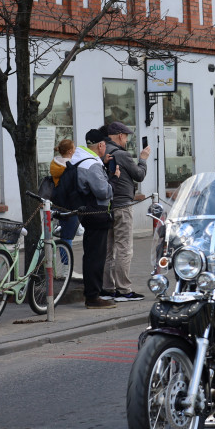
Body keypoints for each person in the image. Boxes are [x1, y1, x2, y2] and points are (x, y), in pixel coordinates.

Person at [101, 121, 149, 302]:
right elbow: (139, 175)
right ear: (120, 135)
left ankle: (107, 288)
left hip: (107, 205)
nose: (127, 139)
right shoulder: (122, 154)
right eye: (126, 136)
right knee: (124, 248)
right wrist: (143, 158)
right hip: (123, 205)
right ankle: (123, 289)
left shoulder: (102, 151)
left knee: (108, 249)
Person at [74, 129, 117, 309]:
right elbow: (102, 191)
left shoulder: (81, 158)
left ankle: (93, 293)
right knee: (95, 256)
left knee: (91, 254)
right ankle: (93, 297)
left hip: (86, 212)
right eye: (105, 145)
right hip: (97, 213)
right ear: (100, 145)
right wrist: (113, 179)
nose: (106, 148)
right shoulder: (91, 164)